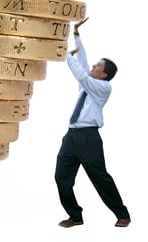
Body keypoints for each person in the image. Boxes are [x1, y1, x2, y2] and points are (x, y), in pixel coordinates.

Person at [54, 17, 131, 228]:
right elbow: (83, 61)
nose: (93, 66)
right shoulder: (88, 85)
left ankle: (122, 214)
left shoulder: (102, 88)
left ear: (104, 75)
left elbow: (80, 73)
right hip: (71, 136)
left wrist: (67, 57)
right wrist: (77, 34)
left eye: (98, 66)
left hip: (89, 137)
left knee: (100, 178)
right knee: (62, 178)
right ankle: (75, 216)